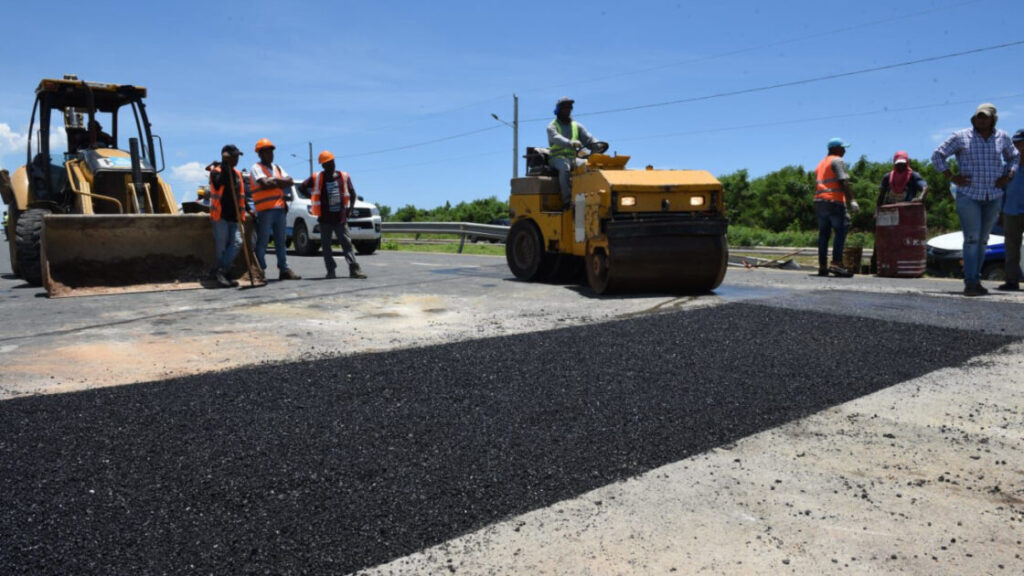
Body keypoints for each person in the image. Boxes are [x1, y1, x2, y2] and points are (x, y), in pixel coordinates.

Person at [932, 103, 1019, 296]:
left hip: (993, 195)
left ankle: (976, 279)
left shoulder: (1002, 137)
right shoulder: (961, 136)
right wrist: (951, 176)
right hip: (969, 195)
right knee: (972, 239)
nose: (981, 120)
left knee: (983, 240)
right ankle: (970, 282)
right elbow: (938, 155)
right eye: (979, 116)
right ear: (974, 118)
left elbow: (1014, 157)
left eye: (985, 117)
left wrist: (1008, 175)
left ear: (993, 119)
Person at [302, 150, 367, 279]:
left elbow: (353, 194)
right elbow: (302, 187)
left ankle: (354, 269)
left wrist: (350, 209)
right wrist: (312, 198)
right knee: (326, 247)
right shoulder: (318, 177)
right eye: (327, 163)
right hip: (324, 219)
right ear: (323, 165)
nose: (331, 165)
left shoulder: (343, 176)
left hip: (340, 218)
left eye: (332, 162)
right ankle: (331, 270)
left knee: (347, 244)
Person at [249, 138, 301, 280]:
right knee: (263, 241)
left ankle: (284, 269)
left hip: (280, 209)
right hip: (265, 210)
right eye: (267, 152)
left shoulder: (277, 167)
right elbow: (265, 184)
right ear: (260, 154)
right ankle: (260, 270)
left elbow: (290, 181)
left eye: (271, 152)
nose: (270, 154)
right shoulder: (256, 168)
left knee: (281, 241)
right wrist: (280, 182)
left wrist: (274, 181)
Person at [814, 137, 859, 277]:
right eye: (842, 148)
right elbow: (843, 181)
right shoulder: (837, 160)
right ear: (835, 148)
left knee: (824, 234)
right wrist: (852, 200)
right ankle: (837, 264)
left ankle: (822, 266)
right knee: (840, 231)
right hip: (834, 202)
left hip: (819, 202)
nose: (844, 150)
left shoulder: (821, 163)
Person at [547, 97, 601, 208]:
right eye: (564, 108)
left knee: (588, 166)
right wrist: (570, 143)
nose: (567, 110)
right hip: (556, 158)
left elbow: (588, 138)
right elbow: (555, 138)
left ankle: (588, 198)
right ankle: (568, 202)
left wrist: (596, 144)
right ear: (558, 110)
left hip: (573, 158)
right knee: (564, 167)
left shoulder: (577, 126)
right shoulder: (552, 126)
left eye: (569, 108)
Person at [207, 145, 247, 288]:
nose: (236, 159)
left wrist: (248, 210)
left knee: (237, 242)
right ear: (226, 158)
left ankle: (221, 271)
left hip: (235, 216)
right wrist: (225, 166)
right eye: (234, 157)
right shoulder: (216, 172)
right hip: (220, 216)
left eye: (237, 157)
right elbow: (218, 185)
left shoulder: (237, 174)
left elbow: (241, 194)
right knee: (222, 248)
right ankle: (225, 274)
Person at [997, 129, 1024, 291]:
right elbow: (1002, 190)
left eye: (1021, 143)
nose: (1018, 146)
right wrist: (1000, 213)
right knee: (1011, 247)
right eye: (1015, 144)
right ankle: (1012, 280)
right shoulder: (1008, 167)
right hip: (1010, 211)